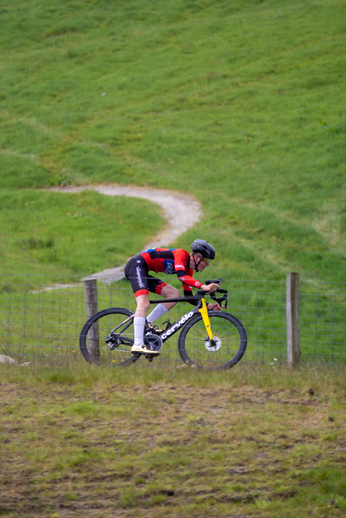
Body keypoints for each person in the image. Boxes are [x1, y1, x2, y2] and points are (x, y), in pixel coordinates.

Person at [124, 239, 221, 355]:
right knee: (144, 304)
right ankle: (138, 344)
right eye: (206, 260)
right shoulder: (181, 254)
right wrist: (202, 286)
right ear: (196, 258)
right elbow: (181, 276)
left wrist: (208, 306)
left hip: (144, 270)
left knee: (174, 295)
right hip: (137, 265)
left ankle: (145, 324)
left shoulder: (188, 270)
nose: (208, 264)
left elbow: (188, 296)